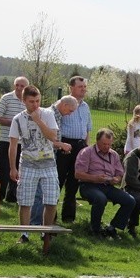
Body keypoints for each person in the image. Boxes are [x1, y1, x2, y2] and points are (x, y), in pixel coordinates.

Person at [8, 85, 60, 231]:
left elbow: (53, 137)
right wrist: (12, 167)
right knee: (25, 202)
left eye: (37, 101)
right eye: (31, 101)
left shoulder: (47, 114)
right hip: (27, 164)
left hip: (48, 164)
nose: (35, 104)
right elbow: (12, 146)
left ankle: (45, 232)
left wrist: (38, 121)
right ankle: (24, 233)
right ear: (24, 101)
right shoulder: (18, 119)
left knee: (51, 201)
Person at [75, 128, 136, 239]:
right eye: (104, 144)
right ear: (97, 141)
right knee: (100, 198)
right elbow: (78, 174)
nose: (107, 147)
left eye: (109, 144)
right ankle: (95, 229)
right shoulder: (86, 152)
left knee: (130, 200)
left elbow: (120, 173)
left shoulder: (114, 155)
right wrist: (95, 178)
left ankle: (112, 227)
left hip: (108, 186)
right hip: (88, 186)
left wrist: (116, 179)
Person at [57, 75, 92, 222]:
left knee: (74, 180)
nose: (83, 89)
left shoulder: (85, 106)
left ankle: (69, 217)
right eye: (80, 87)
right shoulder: (62, 104)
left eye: (84, 87)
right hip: (64, 144)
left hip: (80, 146)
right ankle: (50, 215)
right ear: (71, 88)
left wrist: (85, 148)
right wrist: (59, 144)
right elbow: (55, 125)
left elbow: (88, 128)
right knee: (58, 179)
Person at [0, 76, 29, 202]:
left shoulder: (29, 101)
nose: (19, 88)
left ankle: (12, 196)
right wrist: (13, 123)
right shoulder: (6, 98)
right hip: (6, 140)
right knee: (3, 169)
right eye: (17, 85)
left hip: (23, 142)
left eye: (22, 86)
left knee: (19, 169)